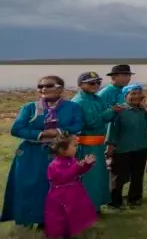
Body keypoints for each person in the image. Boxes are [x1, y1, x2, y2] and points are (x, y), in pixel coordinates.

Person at [2, 76, 85, 229]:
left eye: (48, 85)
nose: (43, 89)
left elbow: (78, 124)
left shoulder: (72, 107)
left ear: (60, 88)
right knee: (30, 186)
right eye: (40, 86)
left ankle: (52, 220)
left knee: (57, 186)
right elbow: (16, 129)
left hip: (60, 153)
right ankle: (28, 218)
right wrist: (41, 134)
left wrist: (59, 131)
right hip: (32, 154)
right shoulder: (30, 108)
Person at [105, 84, 147, 209]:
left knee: (138, 175)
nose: (136, 96)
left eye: (139, 93)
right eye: (133, 93)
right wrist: (110, 146)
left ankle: (134, 199)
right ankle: (115, 202)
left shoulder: (144, 110)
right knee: (118, 176)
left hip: (141, 147)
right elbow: (112, 129)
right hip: (122, 148)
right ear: (125, 96)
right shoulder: (120, 110)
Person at [70, 71, 121, 210]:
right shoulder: (80, 101)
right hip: (87, 144)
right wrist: (111, 112)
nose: (96, 85)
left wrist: (112, 111)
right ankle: (86, 207)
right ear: (81, 85)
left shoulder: (96, 98)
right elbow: (91, 121)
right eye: (91, 83)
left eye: (98, 82)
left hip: (98, 144)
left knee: (99, 177)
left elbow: (103, 116)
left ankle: (96, 205)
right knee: (89, 178)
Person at [43, 135, 98, 239]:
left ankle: (74, 232)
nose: (76, 148)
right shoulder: (54, 165)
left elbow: (77, 172)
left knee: (75, 212)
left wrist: (86, 165)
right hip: (61, 195)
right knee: (61, 216)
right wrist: (77, 167)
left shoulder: (72, 160)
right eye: (74, 145)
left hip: (74, 192)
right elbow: (64, 176)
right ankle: (62, 236)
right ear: (63, 150)